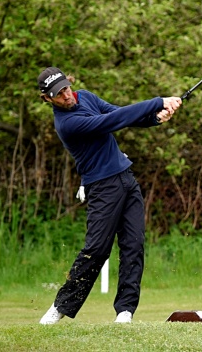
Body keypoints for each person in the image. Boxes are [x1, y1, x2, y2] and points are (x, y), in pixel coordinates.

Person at [37, 67, 181, 324]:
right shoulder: (67, 124)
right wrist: (157, 101)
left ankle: (125, 312)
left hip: (126, 179)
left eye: (66, 88)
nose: (66, 96)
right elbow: (109, 123)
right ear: (48, 99)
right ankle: (59, 308)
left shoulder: (86, 97)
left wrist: (154, 118)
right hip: (102, 187)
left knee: (133, 246)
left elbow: (117, 113)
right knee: (96, 250)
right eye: (58, 94)